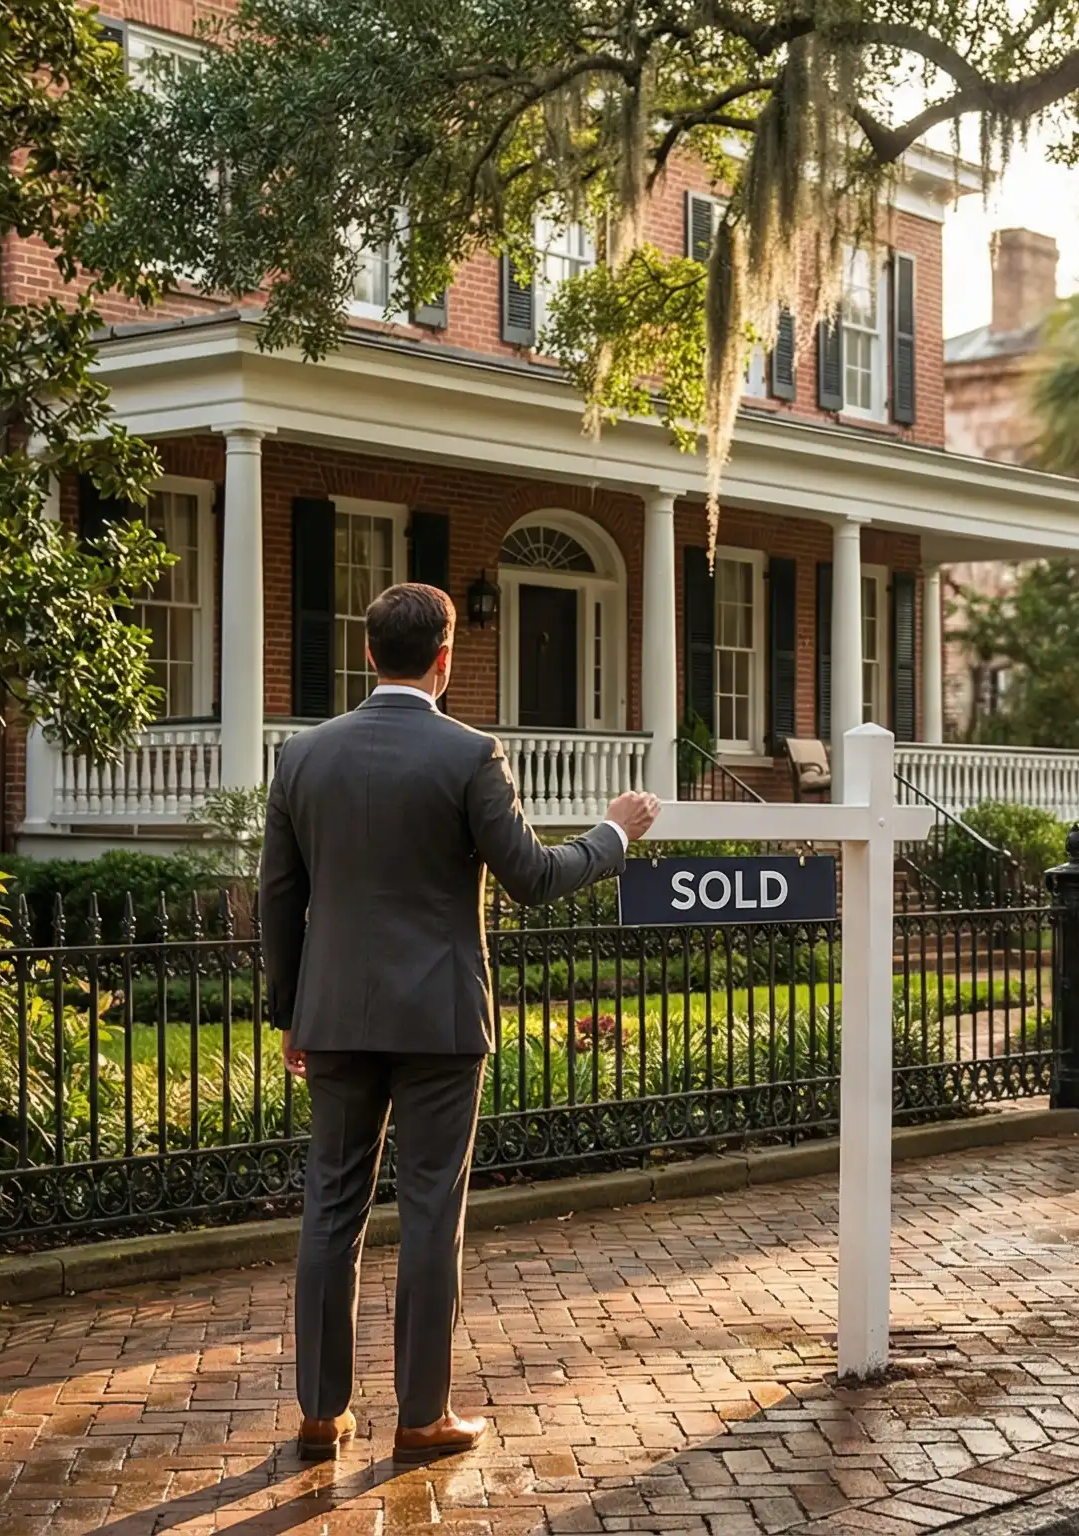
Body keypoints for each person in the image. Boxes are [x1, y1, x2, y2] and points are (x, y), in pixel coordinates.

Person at [259, 581, 659, 1462]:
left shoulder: (302, 757)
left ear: (369, 655)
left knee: (330, 1208)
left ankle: (322, 1414)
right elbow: (533, 877)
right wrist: (613, 834)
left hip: (331, 1017)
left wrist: (290, 1013)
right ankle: (421, 1416)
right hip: (439, 1020)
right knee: (432, 1211)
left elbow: (278, 901)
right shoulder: (471, 753)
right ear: (446, 658)